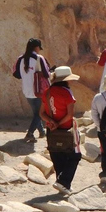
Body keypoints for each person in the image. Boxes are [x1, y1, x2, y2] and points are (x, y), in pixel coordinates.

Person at [40, 66, 81, 195]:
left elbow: (41, 113)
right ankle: (63, 182)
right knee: (75, 156)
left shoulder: (46, 92)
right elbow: (70, 114)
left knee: (57, 156)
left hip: (51, 130)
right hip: (66, 129)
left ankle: (63, 184)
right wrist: (58, 123)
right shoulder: (67, 93)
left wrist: (52, 122)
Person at [13, 38, 50, 143]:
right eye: (39, 48)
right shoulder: (39, 58)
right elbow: (47, 74)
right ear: (36, 47)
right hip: (38, 90)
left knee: (36, 112)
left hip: (26, 90)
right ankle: (30, 133)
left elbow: (16, 74)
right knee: (39, 114)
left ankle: (42, 132)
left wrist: (27, 76)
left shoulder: (20, 59)